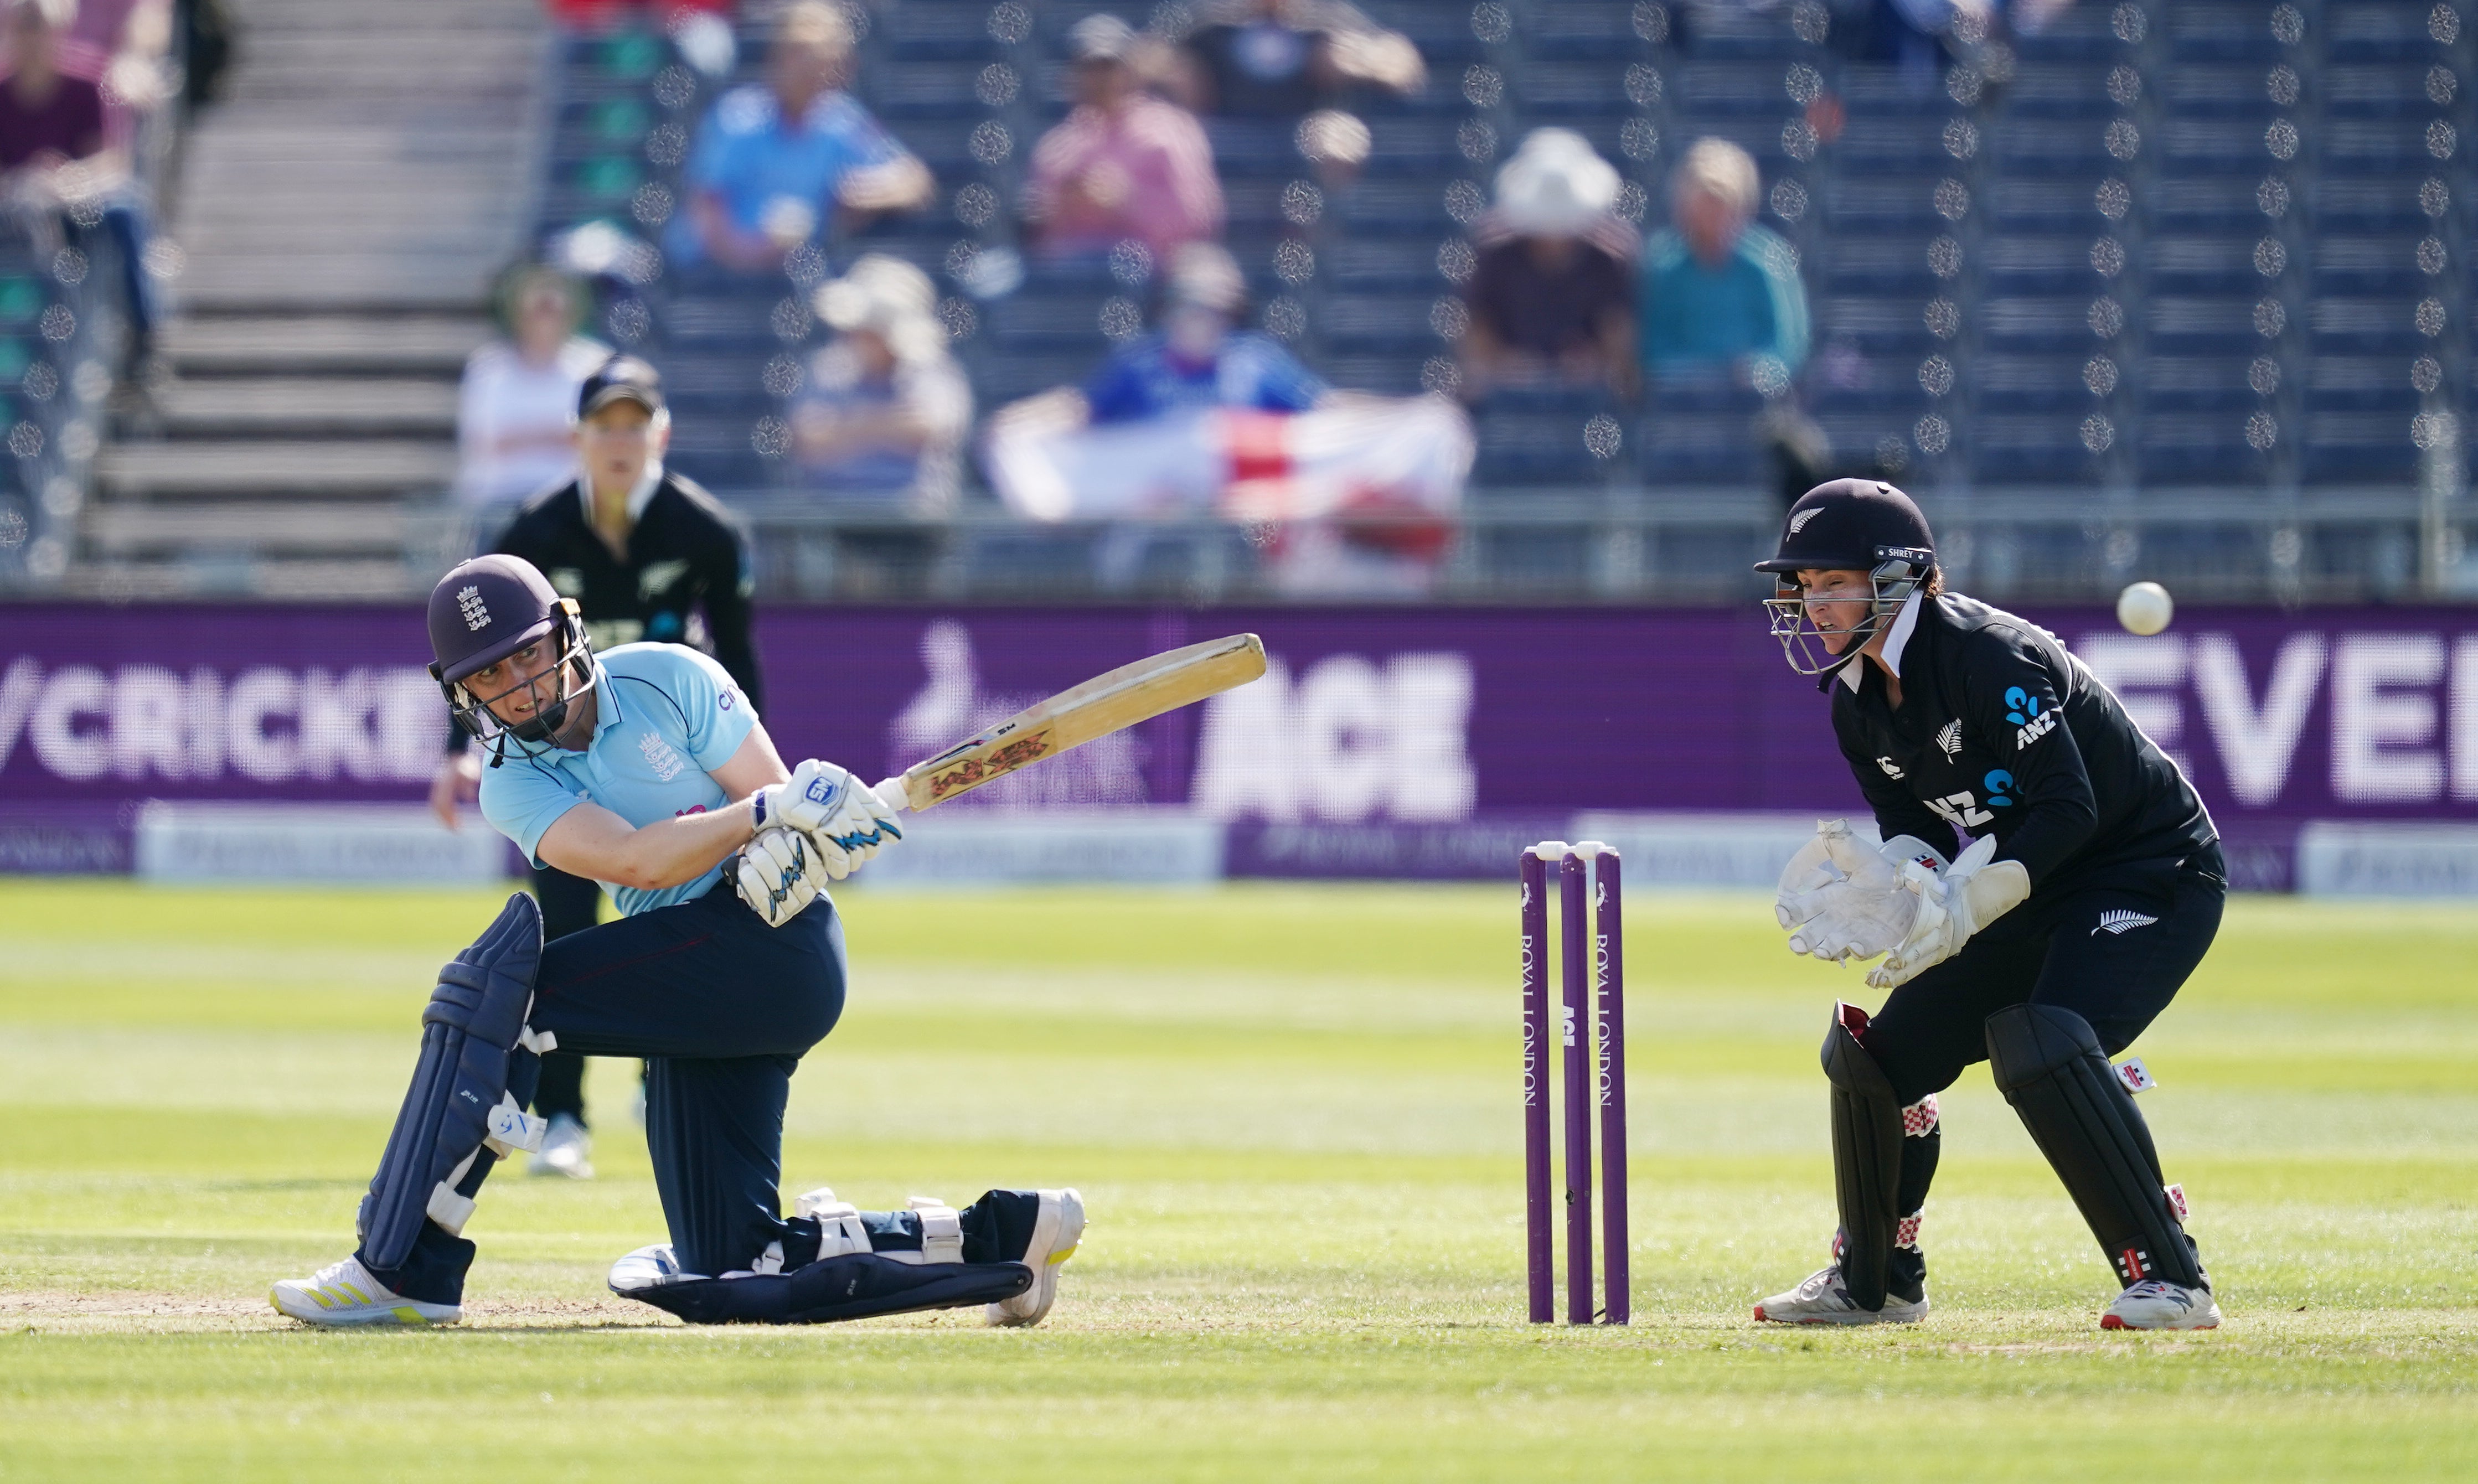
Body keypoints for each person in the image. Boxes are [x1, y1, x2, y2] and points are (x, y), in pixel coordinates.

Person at [273, 554, 1083, 1328]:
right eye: (489, 675)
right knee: (734, 1262)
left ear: (566, 633)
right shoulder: (511, 781)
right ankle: (1008, 1232)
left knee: (500, 1002)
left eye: (528, 656)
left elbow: (779, 799)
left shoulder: (668, 675)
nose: (518, 687)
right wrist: (770, 817)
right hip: (692, 972)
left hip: (775, 949)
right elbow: (641, 860)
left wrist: (813, 834)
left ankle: (401, 1272)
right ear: (462, 694)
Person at [1754, 479, 2226, 1332]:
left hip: (2146, 873)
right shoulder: (1857, 702)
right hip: (2027, 889)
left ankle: (2171, 1277)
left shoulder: (1987, 657)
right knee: (1877, 1060)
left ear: (1897, 578)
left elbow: (2068, 810)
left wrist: (1965, 908)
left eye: (1832, 584)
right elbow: (1915, 828)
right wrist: (1903, 892)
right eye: (1803, 587)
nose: (1811, 605)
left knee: (2041, 1039)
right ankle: (1879, 1279)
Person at [430, 356, 765, 1180]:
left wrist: (759, 778)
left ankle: (666, 1079)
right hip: (550, 752)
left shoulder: (707, 531)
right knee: (569, 923)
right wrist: (458, 758)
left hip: (656, 735)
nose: (620, 442)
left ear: (662, 433)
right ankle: (566, 1114)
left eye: (634, 424)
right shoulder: (536, 532)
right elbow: (479, 659)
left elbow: (737, 654)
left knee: (679, 918)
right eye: (604, 426)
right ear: (578, 438)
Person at [666, 0, 931, 275]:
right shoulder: (738, 120)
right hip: (712, 277)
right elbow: (706, 214)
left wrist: (865, 194)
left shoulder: (839, 120)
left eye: (825, 60)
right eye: (801, 55)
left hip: (797, 274)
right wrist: (760, 252)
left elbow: (914, 180)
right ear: (779, 57)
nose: (812, 70)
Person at [0, 0, 158, 379]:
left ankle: (144, 337)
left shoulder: (88, 84)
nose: (34, 38)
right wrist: (22, 182)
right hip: (14, 209)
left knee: (125, 212)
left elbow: (111, 160)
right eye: (25, 27)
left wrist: (69, 179)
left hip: (80, 206)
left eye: (41, 28)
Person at [1023, 14, 1223, 265]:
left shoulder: (1170, 131)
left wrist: (1125, 200)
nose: (1100, 79)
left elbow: (1201, 218)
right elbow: (1036, 228)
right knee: (990, 279)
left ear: (1130, 73)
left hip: (1158, 269)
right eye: (1089, 69)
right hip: (1073, 270)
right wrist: (1063, 205)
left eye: (1109, 68)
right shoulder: (1058, 147)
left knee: (1207, 286)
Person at [1459, 130, 1638, 402]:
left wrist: (1595, 362)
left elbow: (1619, 342)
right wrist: (1503, 364)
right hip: (1509, 402)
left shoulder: (1609, 258)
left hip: (1587, 405)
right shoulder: (1493, 255)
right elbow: (1475, 330)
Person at [791, 254, 971, 516]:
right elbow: (808, 439)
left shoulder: (933, 370)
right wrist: (887, 426)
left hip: (916, 522)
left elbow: (931, 429)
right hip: (834, 520)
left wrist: (847, 426)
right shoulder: (827, 368)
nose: (858, 337)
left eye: (872, 331)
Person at [1082, 242, 1325, 425]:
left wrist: (1363, 425)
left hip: (1237, 491)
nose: (1200, 320)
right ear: (1167, 309)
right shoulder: (1138, 363)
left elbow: (1324, 408)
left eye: (1214, 310)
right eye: (1188, 305)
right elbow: (1080, 411)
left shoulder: (1259, 362)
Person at [1639, 138, 1809, 387]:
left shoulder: (1767, 263)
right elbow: (1654, 346)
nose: (1712, 216)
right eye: (1704, 205)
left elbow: (1788, 345)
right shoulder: (1663, 266)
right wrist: (1696, 374)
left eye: (1721, 204)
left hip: (1753, 404)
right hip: (1680, 404)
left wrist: (1755, 370)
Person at [456, 263, 611, 509]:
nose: (545, 323)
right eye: (537, 313)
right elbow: (487, 441)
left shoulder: (595, 365)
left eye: (553, 313)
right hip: (498, 500)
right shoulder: (488, 370)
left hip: (574, 502)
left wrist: (526, 436)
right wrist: (560, 436)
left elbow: (602, 440)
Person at [1171, 0, 1424, 117]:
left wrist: (1357, 63)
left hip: (1307, 132)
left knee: (1340, 141)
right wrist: (1179, 71)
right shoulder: (1213, 23)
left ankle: (1327, 223)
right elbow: (1147, 58)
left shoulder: (1327, 20)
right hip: (1225, 131)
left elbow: (1402, 59)